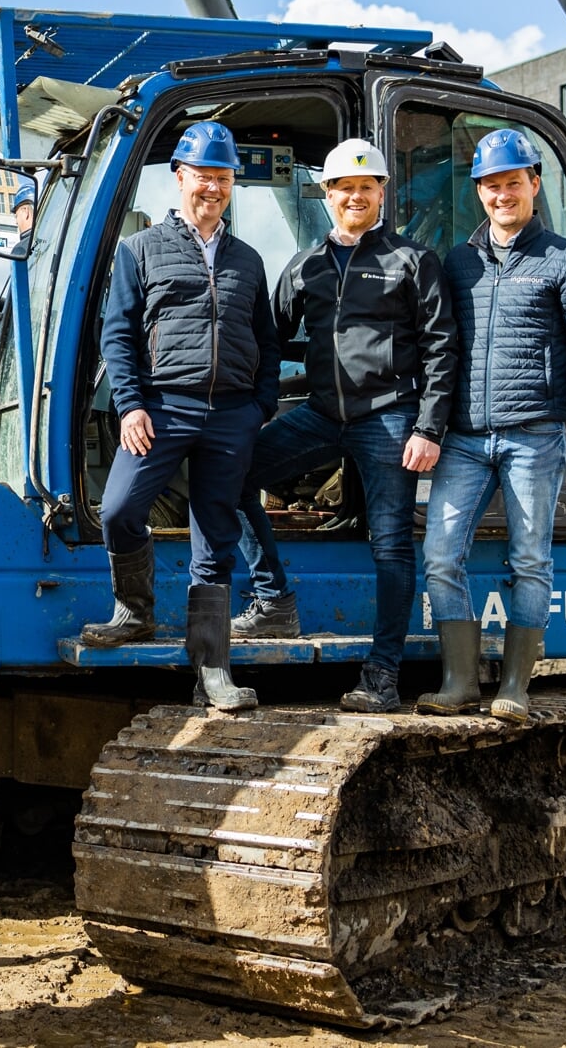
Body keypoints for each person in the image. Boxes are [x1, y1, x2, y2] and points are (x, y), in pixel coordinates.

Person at [232, 138, 458, 714]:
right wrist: (246, 406)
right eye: (343, 188)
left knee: (390, 547)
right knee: (230, 474)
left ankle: (382, 676)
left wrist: (428, 429)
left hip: (390, 418)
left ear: (381, 193)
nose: (355, 197)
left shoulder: (412, 261)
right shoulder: (305, 266)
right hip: (321, 414)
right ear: (327, 195)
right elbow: (270, 339)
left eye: (366, 187)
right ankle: (274, 598)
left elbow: (441, 347)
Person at [417, 128, 566, 723]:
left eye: (513, 183)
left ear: (533, 184)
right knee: (440, 554)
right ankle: (459, 683)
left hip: (535, 435)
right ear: (478, 191)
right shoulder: (459, 263)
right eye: (491, 185)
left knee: (530, 560)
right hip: (465, 436)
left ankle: (515, 688)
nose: (502, 195)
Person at [82, 120, 278, 712]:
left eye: (223, 178)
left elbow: (265, 339)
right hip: (162, 408)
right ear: (179, 178)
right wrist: (132, 404)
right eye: (203, 177)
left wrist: (259, 407)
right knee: (118, 509)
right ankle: (135, 612)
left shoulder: (248, 260)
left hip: (230, 416)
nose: (212, 189)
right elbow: (117, 335)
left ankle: (213, 672)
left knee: (214, 540)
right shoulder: (139, 250)